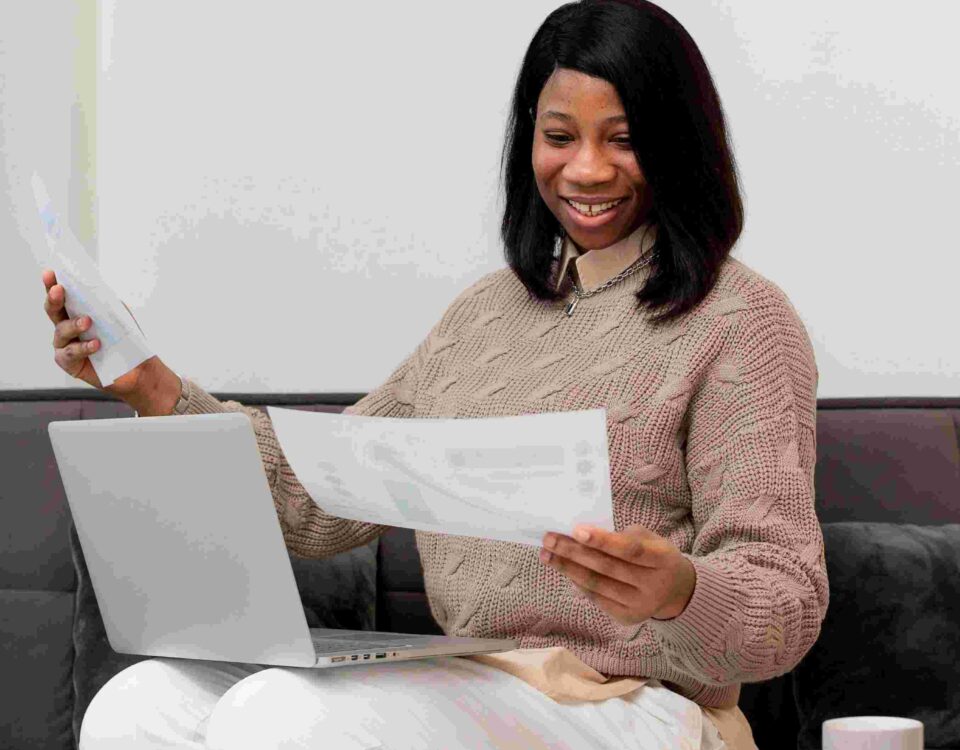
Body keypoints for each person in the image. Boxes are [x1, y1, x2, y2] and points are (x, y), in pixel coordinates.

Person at [42, 1, 828, 747]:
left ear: (678, 140)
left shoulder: (741, 321)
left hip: (632, 707)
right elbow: (320, 499)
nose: (586, 170)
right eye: (560, 135)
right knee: (139, 707)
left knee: (287, 716)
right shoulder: (484, 316)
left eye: (622, 139)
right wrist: (153, 388)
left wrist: (681, 591)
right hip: (472, 681)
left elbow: (785, 602)